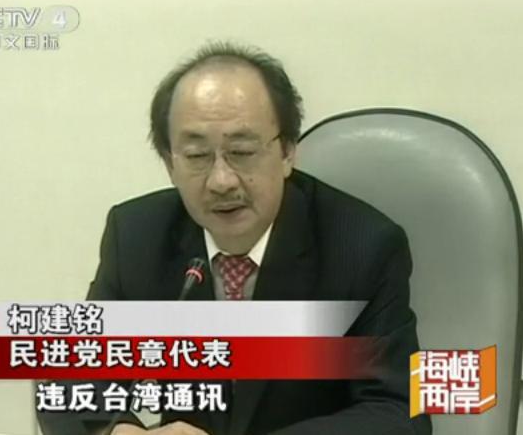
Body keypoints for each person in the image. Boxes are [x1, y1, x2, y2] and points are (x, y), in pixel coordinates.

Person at [39, 42, 432, 435]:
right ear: (170, 163)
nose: (221, 181)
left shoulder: (362, 247)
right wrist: (117, 432)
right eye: (197, 156)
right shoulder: (138, 237)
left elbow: (398, 412)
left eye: (241, 152)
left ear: (287, 151)